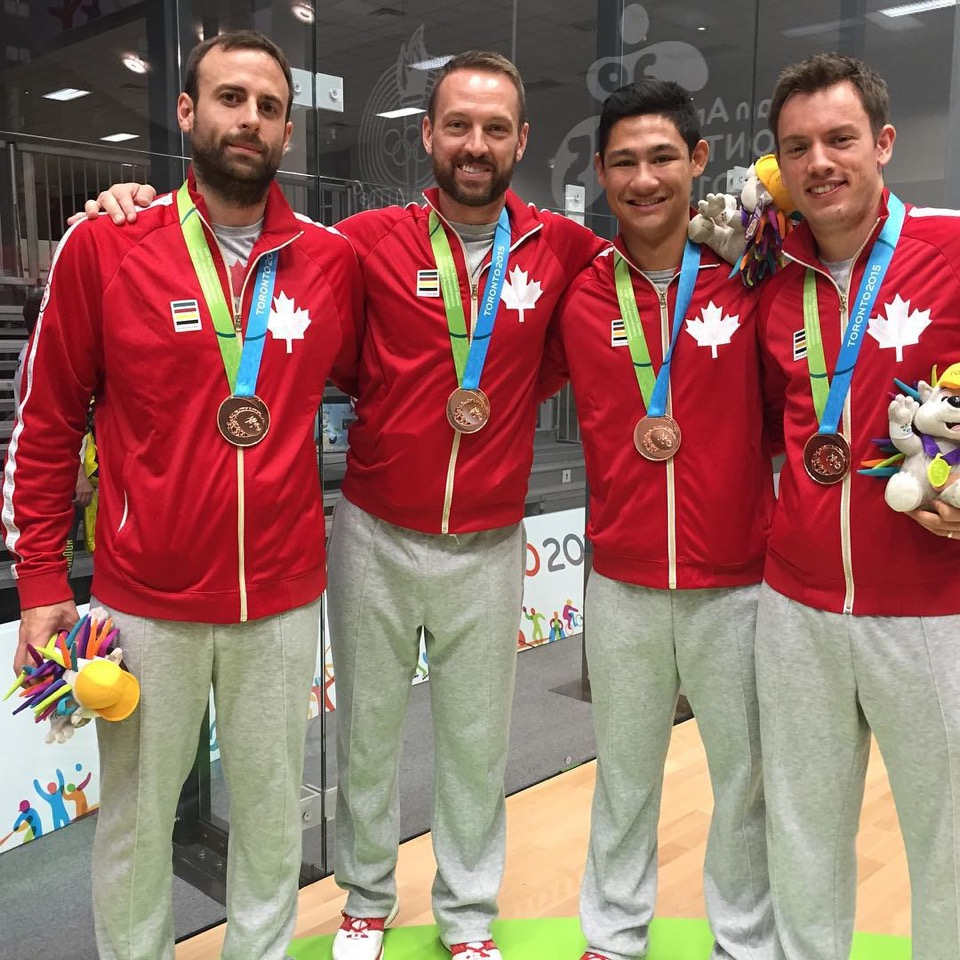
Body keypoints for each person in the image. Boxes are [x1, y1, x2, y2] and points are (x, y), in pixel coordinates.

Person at [76, 49, 603, 960]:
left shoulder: (562, 248)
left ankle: (469, 917)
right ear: (427, 134)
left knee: (477, 745)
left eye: (493, 128)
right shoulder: (354, 247)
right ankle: (365, 901)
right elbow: (342, 361)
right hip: (368, 529)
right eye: (456, 126)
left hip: (486, 536)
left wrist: (507, 389)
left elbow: (602, 317)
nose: (473, 144)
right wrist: (117, 200)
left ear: (520, 139)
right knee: (363, 736)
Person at [4, 29, 362, 960]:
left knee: (276, 820)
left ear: (288, 132)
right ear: (187, 113)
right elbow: (46, 420)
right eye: (231, 99)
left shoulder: (328, 262)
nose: (251, 119)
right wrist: (43, 576)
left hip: (281, 599)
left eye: (270, 106)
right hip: (143, 602)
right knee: (134, 820)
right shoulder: (109, 244)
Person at [539, 80, 776, 960]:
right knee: (625, 774)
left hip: (738, 582)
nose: (645, 179)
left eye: (663, 158)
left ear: (699, 162)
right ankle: (613, 934)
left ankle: (744, 940)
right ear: (601, 173)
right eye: (626, 162)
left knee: (745, 778)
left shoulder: (750, 280)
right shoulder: (577, 292)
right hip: (625, 583)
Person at [756, 53, 960, 960]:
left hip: (931, 611)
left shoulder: (952, 248)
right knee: (801, 839)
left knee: (949, 844)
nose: (820, 162)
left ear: (883, 143)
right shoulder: (766, 271)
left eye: (839, 139)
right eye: (797, 147)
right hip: (796, 605)